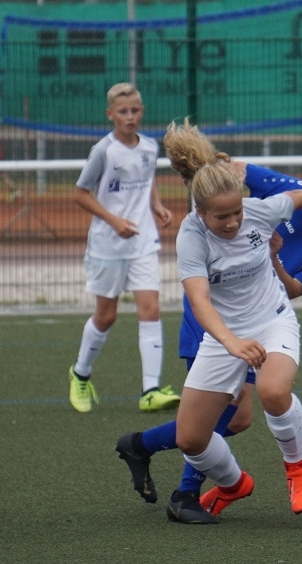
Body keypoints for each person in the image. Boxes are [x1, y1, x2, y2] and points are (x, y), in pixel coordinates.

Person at [116, 124, 302, 522]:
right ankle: (189, 485)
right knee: (205, 427)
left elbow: (293, 288)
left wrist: (273, 256)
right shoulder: (209, 226)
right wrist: (208, 170)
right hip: (213, 324)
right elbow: (242, 173)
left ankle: (259, 476)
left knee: (254, 404)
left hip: (267, 318)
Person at [67, 83, 180, 413]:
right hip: (108, 245)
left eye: (134, 111)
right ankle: (80, 374)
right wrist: (114, 220)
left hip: (143, 241)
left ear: (141, 112)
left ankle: (150, 390)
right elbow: (80, 195)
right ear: (110, 115)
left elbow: (147, 180)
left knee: (151, 310)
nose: (129, 117)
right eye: (123, 112)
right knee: (106, 316)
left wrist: (156, 205)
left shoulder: (150, 146)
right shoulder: (103, 151)